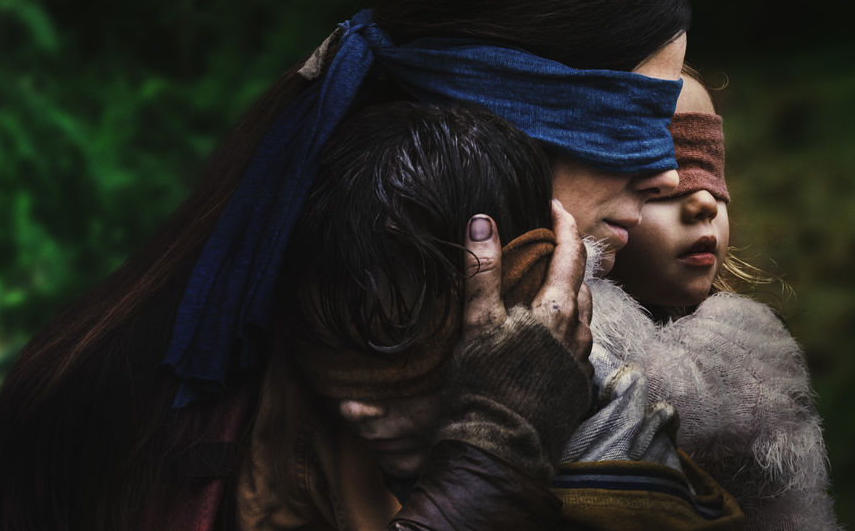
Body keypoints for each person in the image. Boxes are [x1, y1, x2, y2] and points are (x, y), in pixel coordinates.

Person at [0, 0, 706, 529]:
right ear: (496, 112)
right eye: (626, 122)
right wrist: (496, 457)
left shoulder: (616, 341)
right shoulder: (144, 413)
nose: (666, 170)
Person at [238, 100, 741, 529]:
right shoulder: (286, 439)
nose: (355, 409)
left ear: (522, 298)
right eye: (338, 357)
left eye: (395, 346)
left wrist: (499, 432)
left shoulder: (626, 480)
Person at [604, 72, 842, 530]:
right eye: (658, 185)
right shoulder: (560, 346)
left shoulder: (746, 354)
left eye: (710, 173)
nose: (704, 203)